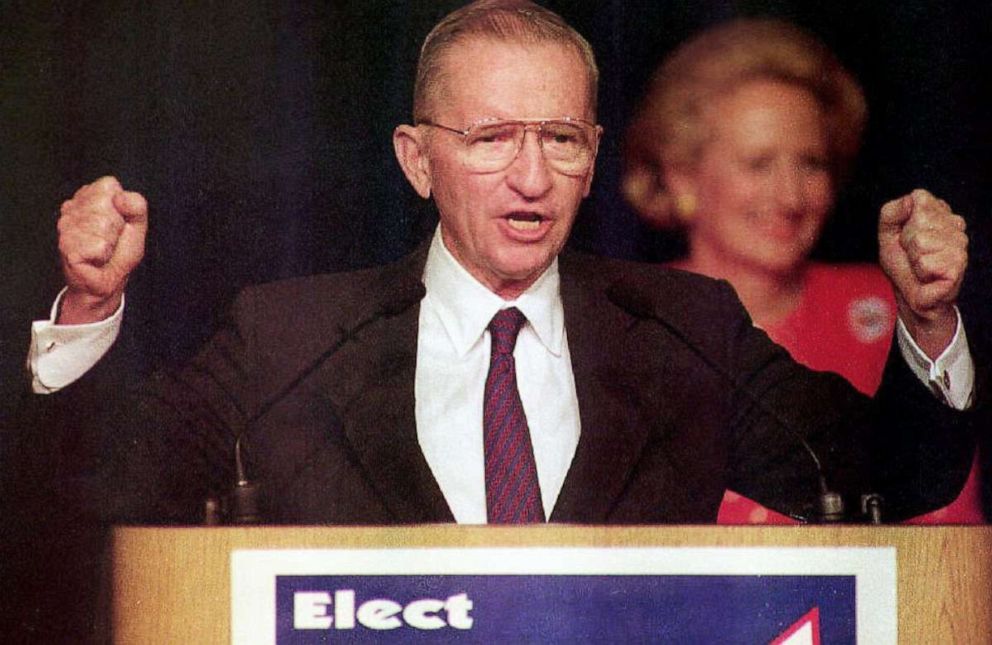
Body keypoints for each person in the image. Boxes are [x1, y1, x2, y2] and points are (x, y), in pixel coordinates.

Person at [25, 1, 975, 530]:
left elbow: (895, 473)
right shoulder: (291, 337)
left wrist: (928, 322)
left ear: (595, 154)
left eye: (560, 137)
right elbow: (104, 486)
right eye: (490, 138)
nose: (531, 176)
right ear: (415, 159)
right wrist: (90, 306)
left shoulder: (684, 331)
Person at [622, 18, 982, 525]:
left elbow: (946, 526)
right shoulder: (628, 321)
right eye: (759, 164)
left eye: (811, 164)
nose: (791, 197)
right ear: (682, 176)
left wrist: (928, 319)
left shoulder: (896, 311)